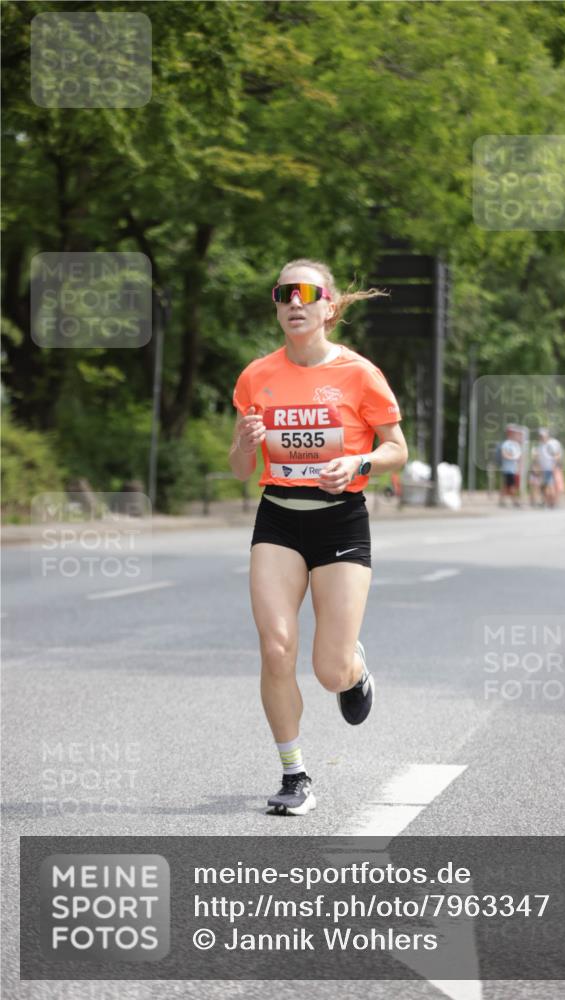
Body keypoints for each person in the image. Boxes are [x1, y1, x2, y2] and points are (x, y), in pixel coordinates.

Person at [229, 258, 408, 816]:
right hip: (278, 518)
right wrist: (242, 439)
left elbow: (398, 450)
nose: (294, 302)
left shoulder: (359, 374)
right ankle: (295, 774)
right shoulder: (257, 376)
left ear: (329, 305)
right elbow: (240, 469)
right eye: (284, 293)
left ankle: (353, 666)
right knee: (275, 647)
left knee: (327, 669)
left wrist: (359, 461)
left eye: (307, 292)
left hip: (340, 521)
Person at [496, 426, 522, 508]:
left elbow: (519, 457)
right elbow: (504, 454)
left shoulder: (516, 444)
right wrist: (512, 456)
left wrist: (518, 467)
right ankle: (515, 502)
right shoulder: (506, 444)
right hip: (507, 469)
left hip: (513, 469)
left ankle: (501, 501)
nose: (514, 435)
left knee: (506, 486)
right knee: (511, 486)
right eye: (513, 433)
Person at [536, 428, 562, 508]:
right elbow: (539, 458)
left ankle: (552, 502)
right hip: (543, 469)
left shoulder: (550, 445)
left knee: (549, 486)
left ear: (546, 436)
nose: (541, 438)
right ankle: (548, 502)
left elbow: (557, 455)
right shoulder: (540, 446)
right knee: (544, 486)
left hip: (550, 468)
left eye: (543, 436)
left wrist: (554, 466)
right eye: (540, 436)